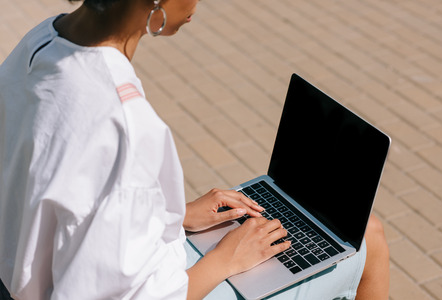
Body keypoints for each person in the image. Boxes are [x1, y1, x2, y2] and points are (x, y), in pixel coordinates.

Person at [0, 0, 390, 299]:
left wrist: (177, 215)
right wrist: (226, 258)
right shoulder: (123, 119)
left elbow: (61, 194)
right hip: (157, 285)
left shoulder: (43, 41)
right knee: (368, 239)